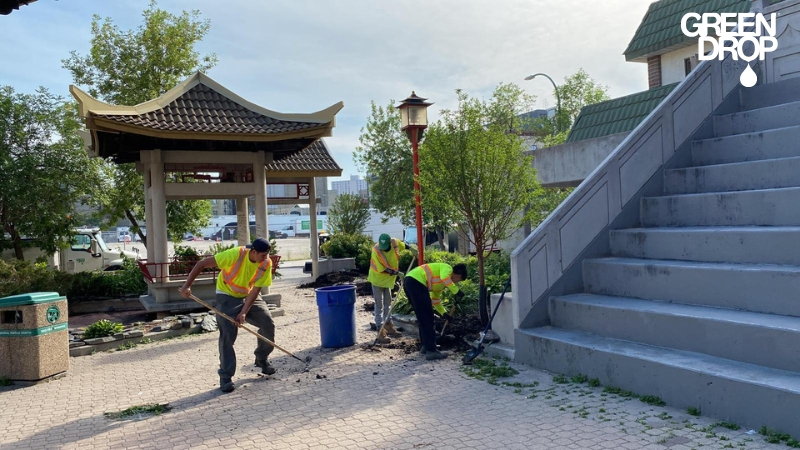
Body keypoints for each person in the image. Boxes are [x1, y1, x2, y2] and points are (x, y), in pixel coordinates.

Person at [179, 237, 276, 393]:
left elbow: (256, 289)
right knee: (227, 336)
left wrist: (243, 312)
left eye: (267, 255)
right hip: (227, 296)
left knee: (268, 324)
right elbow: (201, 264)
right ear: (254, 252)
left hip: (248, 294)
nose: (265, 258)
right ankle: (225, 377)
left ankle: (262, 359)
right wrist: (186, 286)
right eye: (262, 255)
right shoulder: (235, 254)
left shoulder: (266, 263)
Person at [403, 262, 468, 360]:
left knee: (423, 317)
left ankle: (426, 346)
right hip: (416, 282)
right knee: (427, 318)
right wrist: (456, 291)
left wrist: (444, 314)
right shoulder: (447, 268)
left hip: (411, 282)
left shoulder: (440, 284)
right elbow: (445, 278)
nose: (456, 283)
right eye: (459, 281)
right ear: (458, 276)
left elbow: (435, 300)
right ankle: (431, 351)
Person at [368, 233, 416, 342]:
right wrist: (397, 273)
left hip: (388, 280)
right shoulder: (376, 250)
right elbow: (384, 268)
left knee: (388, 303)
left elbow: (403, 245)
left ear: (389, 243)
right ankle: (380, 331)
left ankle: (388, 326)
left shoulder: (394, 242)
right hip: (377, 279)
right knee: (379, 305)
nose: (383, 250)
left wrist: (412, 249)